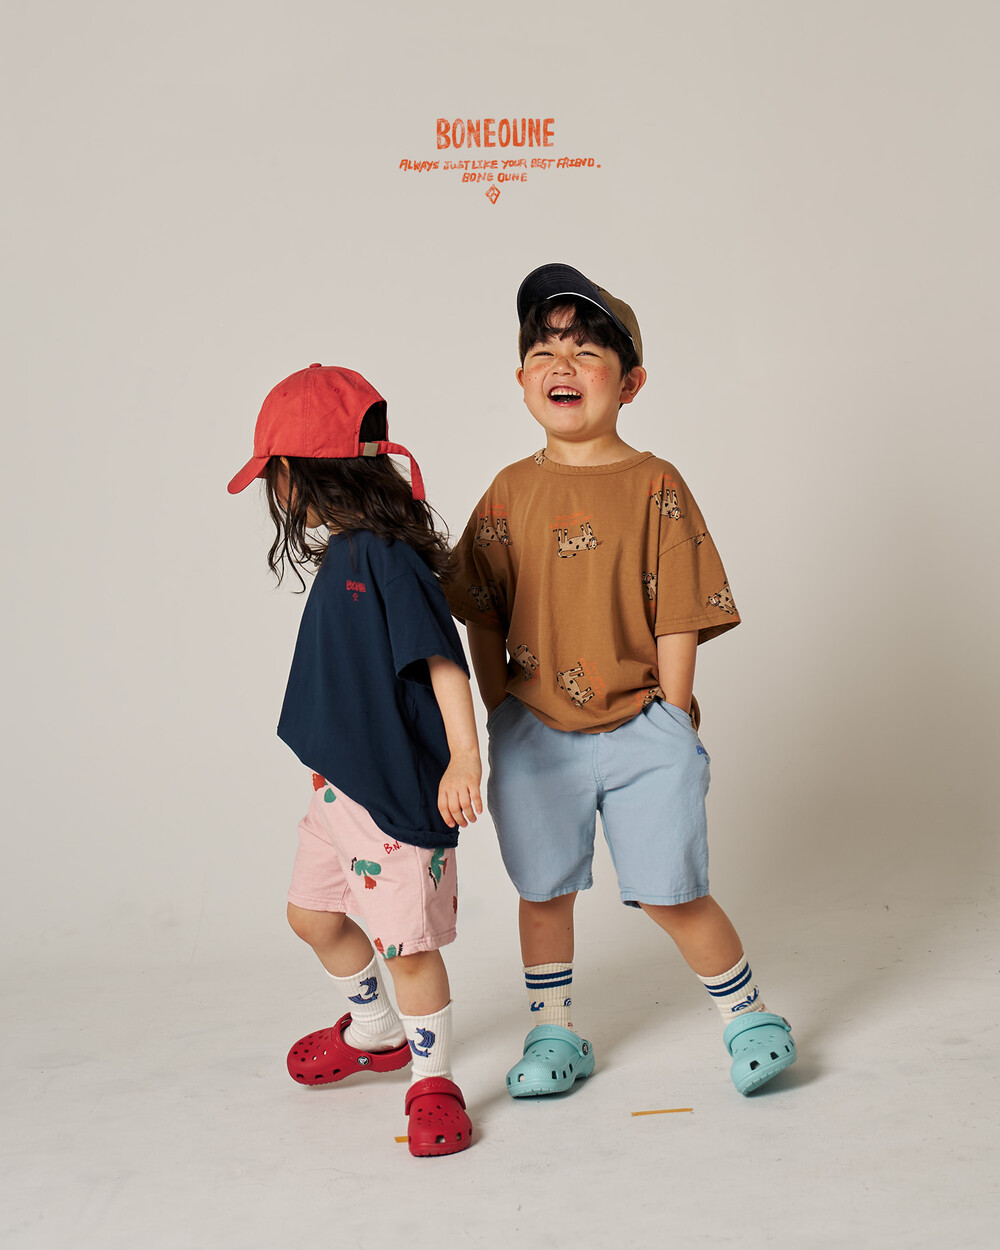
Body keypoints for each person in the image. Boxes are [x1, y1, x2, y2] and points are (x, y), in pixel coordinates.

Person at [445, 264, 796, 1099]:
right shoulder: (509, 490)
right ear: (521, 379)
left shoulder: (655, 483)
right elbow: (480, 609)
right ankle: (555, 1034)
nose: (561, 365)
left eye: (586, 351)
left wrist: (673, 713)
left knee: (675, 891)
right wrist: (499, 707)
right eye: (543, 351)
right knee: (543, 893)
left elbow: (680, 608)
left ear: (630, 382)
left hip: (644, 726)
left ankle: (749, 1017)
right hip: (534, 731)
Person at [228, 363, 482, 1155]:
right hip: (339, 792)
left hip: (394, 798)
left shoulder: (385, 556)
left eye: (271, 474)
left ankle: (432, 1079)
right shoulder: (346, 552)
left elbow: (441, 659)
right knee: (311, 915)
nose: (272, 491)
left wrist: (463, 758)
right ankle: (376, 1030)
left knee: (410, 949)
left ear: (299, 470)